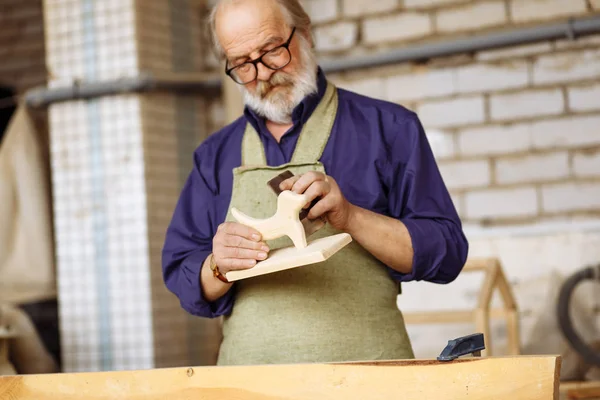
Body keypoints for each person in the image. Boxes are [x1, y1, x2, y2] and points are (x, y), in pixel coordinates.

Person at [162, 0, 469, 366]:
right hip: (251, 384)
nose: (262, 73)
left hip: (369, 379)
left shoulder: (389, 129)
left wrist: (352, 218)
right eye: (243, 63)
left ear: (305, 33)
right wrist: (217, 265)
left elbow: (447, 253)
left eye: (272, 50)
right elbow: (183, 275)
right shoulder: (214, 155)